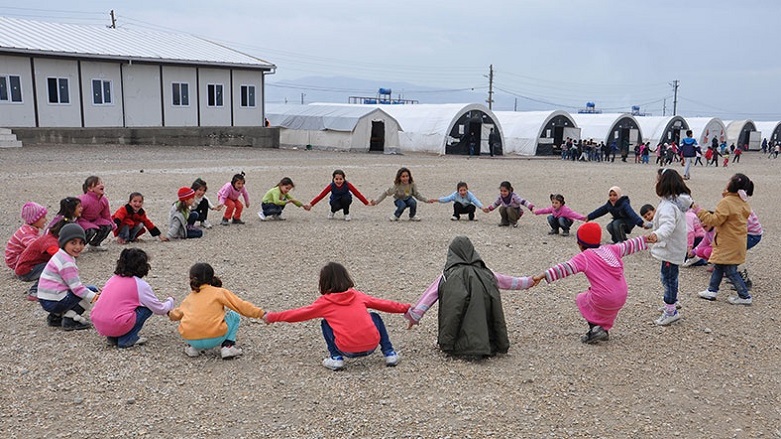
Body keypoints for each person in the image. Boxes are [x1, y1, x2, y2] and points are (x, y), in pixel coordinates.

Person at [263, 262, 410, 370]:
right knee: (375, 316)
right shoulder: (358, 296)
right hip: (372, 346)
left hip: (346, 349)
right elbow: (384, 304)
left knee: (326, 323)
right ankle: (389, 353)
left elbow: (299, 314)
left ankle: (336, 358)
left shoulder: (325, 303)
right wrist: (407, 308)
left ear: (323, 282)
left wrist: (273, 317)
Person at [405, 236, 533, 357]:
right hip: (489, 343)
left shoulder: (447, 276)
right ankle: (489, 341)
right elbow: (508, 281)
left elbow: (429, 297)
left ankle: (454, 344)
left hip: (458, 346)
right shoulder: (486, 273)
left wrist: (415, 316)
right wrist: (529, 281)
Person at [532, 222, 649, 343]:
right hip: (622, 295)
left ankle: (595, 330)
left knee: (582, 299)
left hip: (604, 297)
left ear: (580, 244)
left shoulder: (585, 257)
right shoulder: (611, 249)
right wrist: (644, 239)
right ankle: (603, 330)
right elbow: (628, 245)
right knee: (603, 305)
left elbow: (565, 268)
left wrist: (544, 275)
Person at [169, 263, 265, 359]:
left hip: (192, 339)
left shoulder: (189, 298)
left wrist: (168, 312)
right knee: (234, 315)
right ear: (211, 277)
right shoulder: (219, 292)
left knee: (189, 318)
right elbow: (240, 305)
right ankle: (228, 347)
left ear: (191, 279)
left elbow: (175, 315)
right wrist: (261, 314)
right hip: (215, 338)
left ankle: (193, 348)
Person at [91, 248, 175, 348]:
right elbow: (159, 309)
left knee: (118, 307)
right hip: (116, 323)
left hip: (99, 323)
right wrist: (170, 301)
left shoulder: (112, 279)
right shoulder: (140, 285)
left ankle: (112, 337)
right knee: (146, 308)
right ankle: (127, 338)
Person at [692, 173, 753, 305]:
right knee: (719, 265)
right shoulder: (742, 201)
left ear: (732, 185)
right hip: (736, 241)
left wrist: (699, 211)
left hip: (728, 242)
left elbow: (714, 220)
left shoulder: (727, 202)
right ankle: (712, 290)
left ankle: (744, 296)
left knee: (730, 271)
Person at [647, 168, 692, 326]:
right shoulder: (675, 202)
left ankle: (671, 310)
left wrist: (657, 235)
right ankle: (673, 301)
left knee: (668, 278)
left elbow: (667, 225)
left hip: (670, 248)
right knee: (670, 276)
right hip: (674, 247)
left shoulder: (668, 206)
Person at [37, 224, 99, 330]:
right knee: (91, 290)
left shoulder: (59, 255)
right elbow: (77, 289)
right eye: (73, 243)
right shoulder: (67, 262)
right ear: (64, 243)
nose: (78, 247)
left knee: (81, 291)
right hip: (54, 301)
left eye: (81, 243)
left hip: (45, 298)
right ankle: (70, 319)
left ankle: (55, 317)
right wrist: (95, 297)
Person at [586, 186, 651, 243]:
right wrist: (589, 217)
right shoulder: (609, 205)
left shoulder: (624, 204)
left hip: (629, 222)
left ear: (619, 195)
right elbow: (600, 211)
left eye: (614, 195)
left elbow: (632, 214)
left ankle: (623, 242)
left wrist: (641, 223)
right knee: (609, 226)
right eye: (610, 195)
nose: (612, 197)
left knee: (616, 223)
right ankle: (616, 240)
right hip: (619, 221)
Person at [305, 169, 370, 221]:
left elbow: (357, 194)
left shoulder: (348, 185)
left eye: (340, 179)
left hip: (345, 200)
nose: (338, 181)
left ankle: (346, 213)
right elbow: (321, 196)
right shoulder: (331, 186)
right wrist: (311, 204)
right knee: (335, 205)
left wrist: (366, 203)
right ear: (333, 179)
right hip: (335, 201)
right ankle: (332, 211)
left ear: (344, 179)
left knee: (346, 198)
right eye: (336, 179)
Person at [76, 176, 115, 251]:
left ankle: (94, 244)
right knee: (91, 230)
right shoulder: (83, 199)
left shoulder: (104, 200)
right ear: (90, 188)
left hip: (95, 220)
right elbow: (74, 213)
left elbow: (106, 215)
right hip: (82, 220)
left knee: (108, 225)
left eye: (101, 183)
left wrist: (113, 225)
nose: (101, 185)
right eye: (98, 184)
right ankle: (78, 247)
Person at [5, 201, 47, 270]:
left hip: (16, 257)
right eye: (43, 217)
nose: (46, 220)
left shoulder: (30, 229)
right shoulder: (26, 233)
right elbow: (35, 247)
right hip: (15, 260)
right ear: (34, 219)